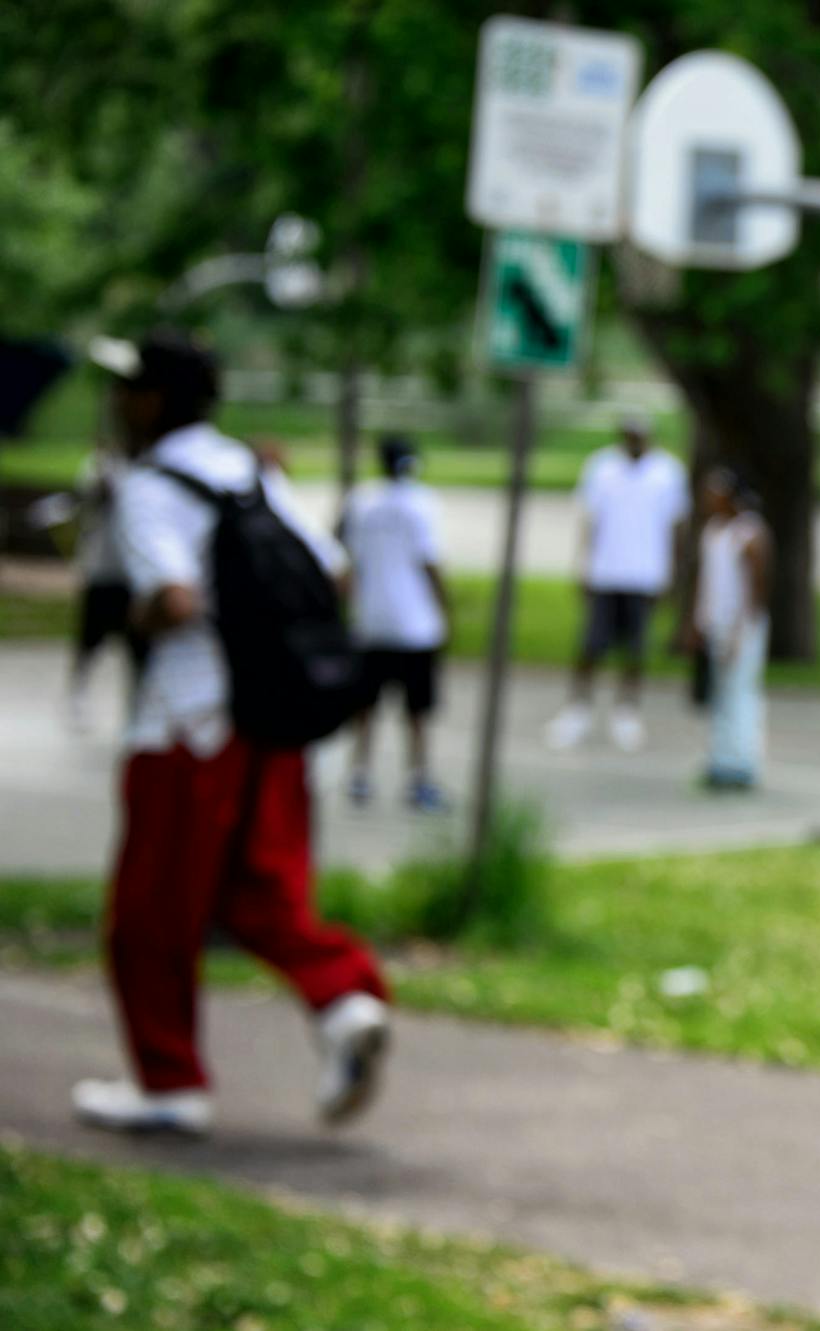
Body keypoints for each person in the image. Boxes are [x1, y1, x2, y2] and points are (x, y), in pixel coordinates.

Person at [72, 331, 392, 1137]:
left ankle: (169, 1080)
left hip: (186, 721)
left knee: (150, 913)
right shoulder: (248, 469)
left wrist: (135, 616)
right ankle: (344, 996)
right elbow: (333, 569)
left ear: (151, 399)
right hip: (268, 715)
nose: (116, 404)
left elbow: (174, 599)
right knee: (257, 891)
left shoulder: (152, 485)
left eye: (126, 390)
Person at [548, 412, 689, 751]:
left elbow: (676, 528)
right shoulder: (602, 466)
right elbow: (589, 521)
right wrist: (583, 566)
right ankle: (578, 709)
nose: (634, 441)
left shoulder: (667, 472)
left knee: (636, 649)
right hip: (606, 572)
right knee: (591, 645)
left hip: (645, 575)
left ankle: (627, 712)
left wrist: (672, 575)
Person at [339, 433, 451, 812]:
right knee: (416, 711)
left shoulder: (361, 501)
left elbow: (348, 558)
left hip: (370, 622)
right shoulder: (421, 502)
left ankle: (360, 776)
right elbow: (429, 561)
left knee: (365, 706)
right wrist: (445, 609)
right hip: (415, 626)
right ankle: (418, 781)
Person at [680, 468, 773, 789]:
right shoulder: (713, 532)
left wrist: (740, 631)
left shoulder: (749, 534)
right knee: (719, 694)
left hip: (741, 629)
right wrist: (697, 622)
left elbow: (755, 590)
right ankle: (720, 759)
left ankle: (743, 762)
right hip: (715, 625)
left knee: (741, 693)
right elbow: (706, 584)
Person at [64, 443, 145, 731]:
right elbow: (85, 502)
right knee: (89, 639)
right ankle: (77, 695)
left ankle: (139, 706)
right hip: (102, 569)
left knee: (138, 646)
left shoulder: (150, 468)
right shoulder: (100, 466)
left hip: (135, 573)